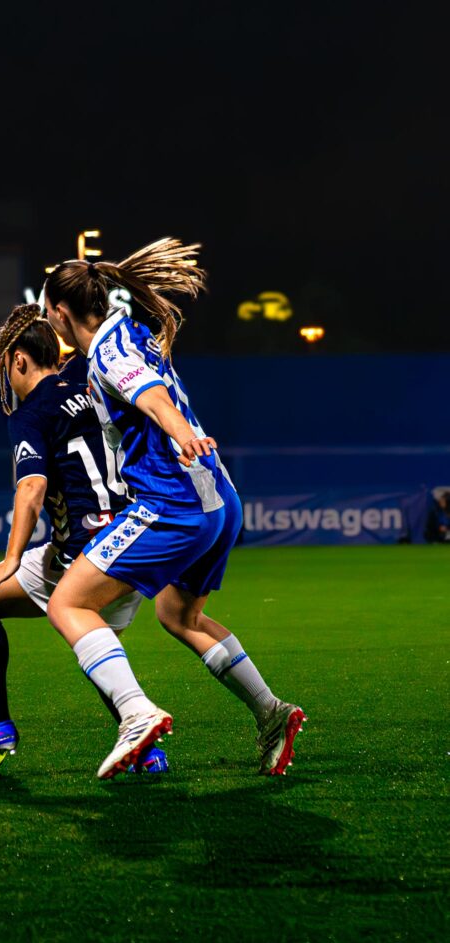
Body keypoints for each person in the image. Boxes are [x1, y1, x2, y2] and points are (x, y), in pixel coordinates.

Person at [44, 238, 306, 779]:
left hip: (175, 501)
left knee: (68, 605)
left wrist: (181, 432)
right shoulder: (130, 330)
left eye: (49, 314)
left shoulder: (108, 351)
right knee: (178, 615)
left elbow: (152, 397)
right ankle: (271, 712)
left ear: (61, 312)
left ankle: (135, 713)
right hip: (218, 499)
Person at [0, 303, 167, 773]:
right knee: (98, 646)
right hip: (133, 542)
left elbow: (33, 486)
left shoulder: (30, 413)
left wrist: (11, 557)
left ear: (18, 361)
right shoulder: (91, 385)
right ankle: (147, 752)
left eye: (5, 370)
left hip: (84, 557)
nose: (7, 380)